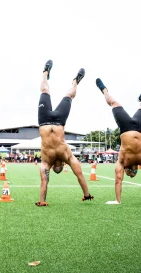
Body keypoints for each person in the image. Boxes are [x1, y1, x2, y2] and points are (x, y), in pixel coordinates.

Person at [95, 78, 141, 204]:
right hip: (139, 127)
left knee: (114, 103)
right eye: (134, 172)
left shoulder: (122, 162)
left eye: (131, 172)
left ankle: (104, 89)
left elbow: (118, 180)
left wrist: (118, 201)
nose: (132, 172)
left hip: (125, 127)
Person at [36, 60, 93, 206]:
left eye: (57, 167)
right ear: (63, 164)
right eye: (60, 166)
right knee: (69, 95)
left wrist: (42, 201)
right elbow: (79, 174)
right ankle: (75, 82)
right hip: (59, 121)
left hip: (44, 120)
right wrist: (87, 195)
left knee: (44, 90)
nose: (58, 164)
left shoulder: (45, 161)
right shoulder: (67, 155)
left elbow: (44, 180)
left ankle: (45, 72)